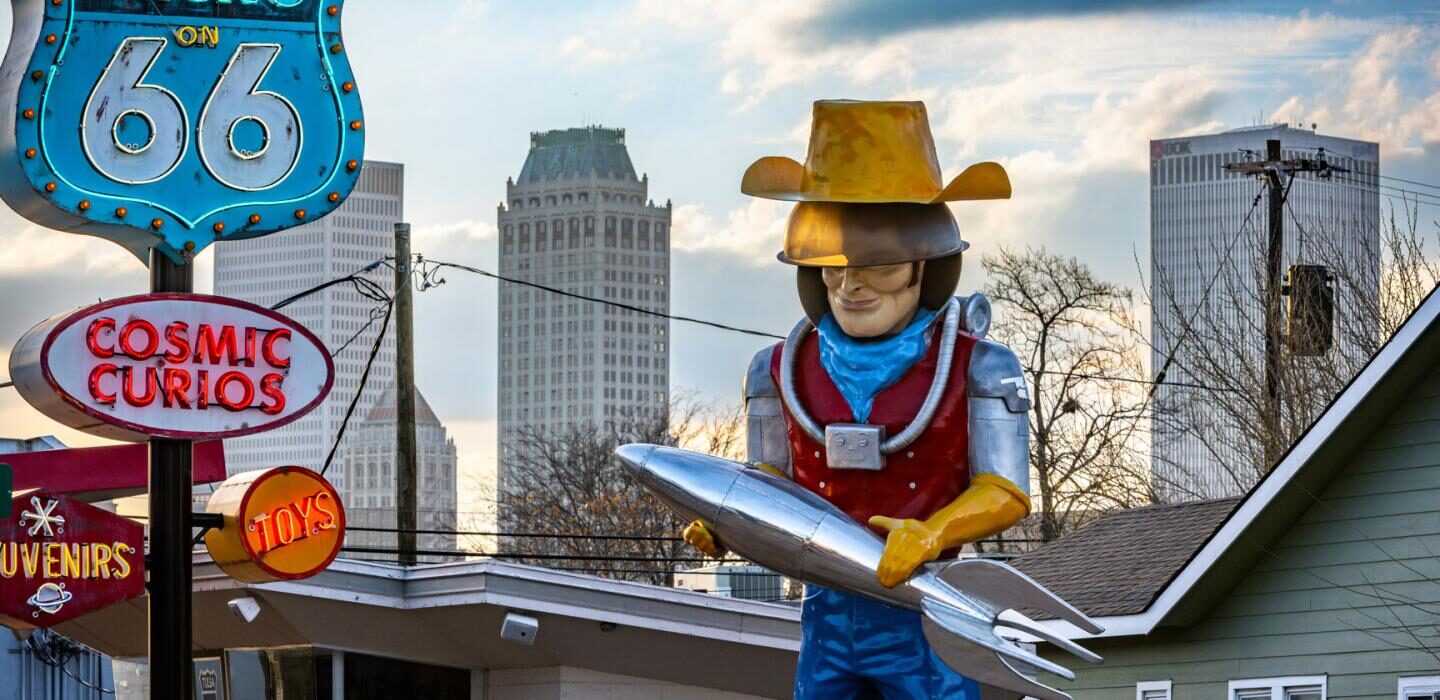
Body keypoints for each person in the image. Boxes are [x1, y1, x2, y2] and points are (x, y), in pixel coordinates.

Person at [683, 100, 1032, 698]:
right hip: (827, 615)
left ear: (926, 264)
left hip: (929, 610)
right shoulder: (776, 370)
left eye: (879, 265)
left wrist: (933, 532)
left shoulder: (979, 366)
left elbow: (1005, 490)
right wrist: (728, 524)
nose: (851, 285)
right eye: (833, 265)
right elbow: (770, 480)